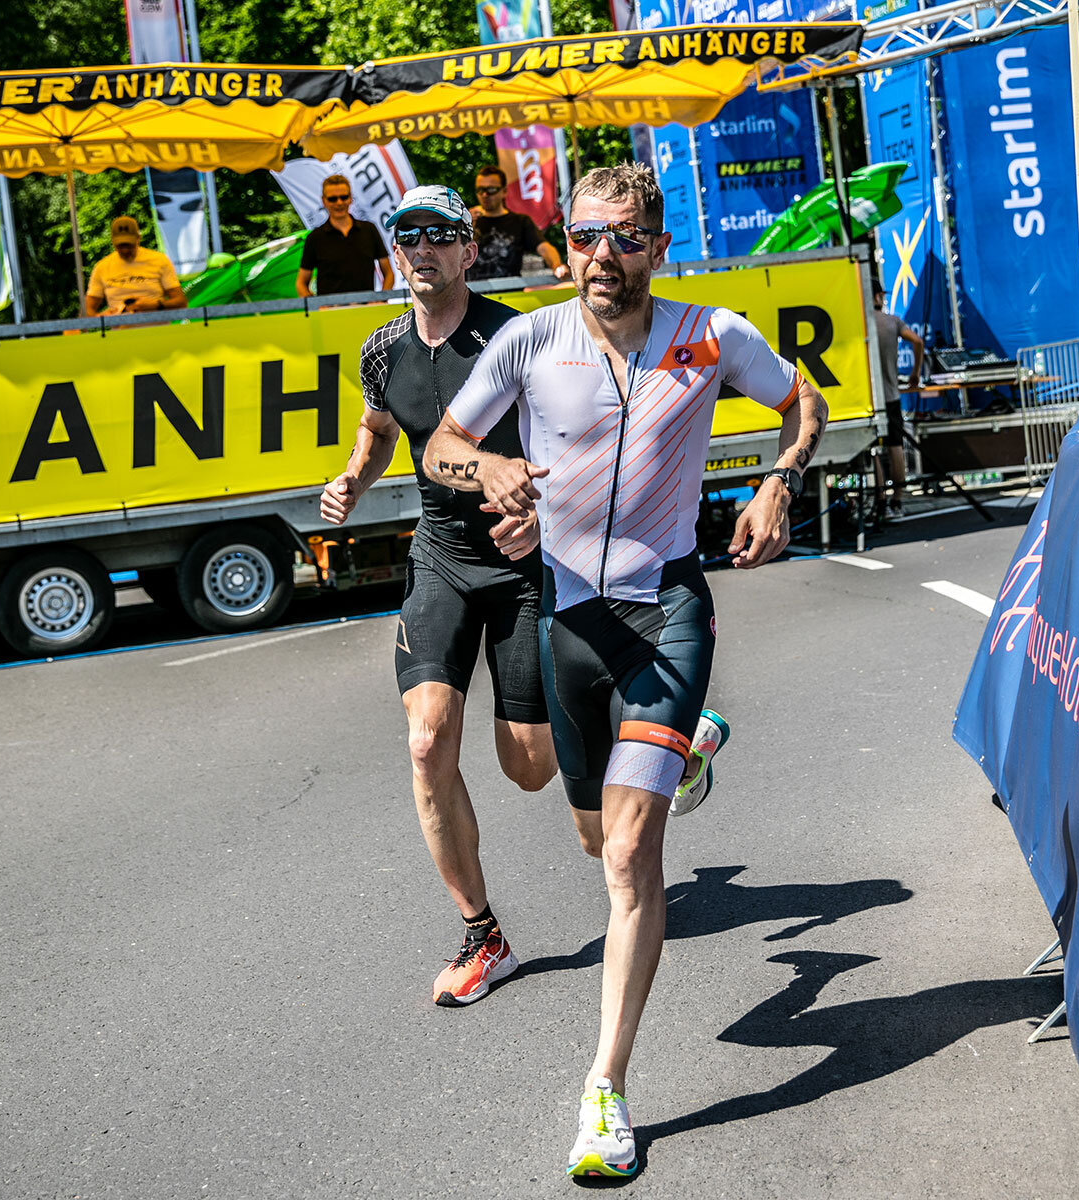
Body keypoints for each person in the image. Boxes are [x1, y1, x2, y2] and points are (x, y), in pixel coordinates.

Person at [424, 163, 829, 1177]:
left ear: (658, 243)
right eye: (589, 237)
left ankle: (604, 1091)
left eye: (628, 237)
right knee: (591, 833)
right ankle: (686, 751)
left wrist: (778, 485)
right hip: (568, 625)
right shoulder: (529, 341)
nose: (606, 257)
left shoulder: (711, 334)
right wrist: (494, 470)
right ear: (565, 244)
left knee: (629, 857)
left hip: (666, 615)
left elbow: (804, 402)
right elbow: (440, 449)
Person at [319, 184, 556, 1008]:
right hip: (442, 557)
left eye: (439, 236)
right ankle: (483, 935)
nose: (421, 248)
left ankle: (654, 719)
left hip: (524, 560)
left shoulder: (516, 336)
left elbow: (576, 435)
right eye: (407, 235)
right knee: (426, 744)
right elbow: (381, 431)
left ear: (467, 249)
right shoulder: (381, 349)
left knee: (528, 769)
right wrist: (353, 475)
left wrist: (547, 517)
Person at [871, 278, 924, 515]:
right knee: (896, 448)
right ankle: (898, 499)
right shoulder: (892, 322)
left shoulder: (862, 322)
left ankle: (880, 498)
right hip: (891, 395)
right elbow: (918, 341)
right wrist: (915, 372)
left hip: (870, 399)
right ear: (877, 296)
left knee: (872, 449)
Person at [466, 164, 570, 283]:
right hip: (474, 293)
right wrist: (464, 225)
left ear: (504, 191)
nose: (485, 195)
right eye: (480, 190)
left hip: (511, 294)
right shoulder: (468, 220)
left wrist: (557, 266)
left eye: (491, 190)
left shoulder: (520, 221)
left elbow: (544, 248)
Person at [296, 174, 395, 298]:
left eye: (344, 197)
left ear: (350, 198)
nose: (339, 203)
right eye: (333, 199)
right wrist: (316, 308)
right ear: (324, 201)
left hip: (367, 310)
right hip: (330, 313)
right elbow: (301, 283)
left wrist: (381, 300)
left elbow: (389, 273)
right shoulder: (314, 238)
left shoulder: (369, 229)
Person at [84, 216, 187, 317]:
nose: (125, 250)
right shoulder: (102, 267)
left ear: (138, 238)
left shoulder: (159, 260)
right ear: (112, 241)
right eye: (120, 245)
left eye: (129, 245)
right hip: (121, 331)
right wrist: (102, 317)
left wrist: (154, 305)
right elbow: (87, 310)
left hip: (156, 329)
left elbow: (181, 302)